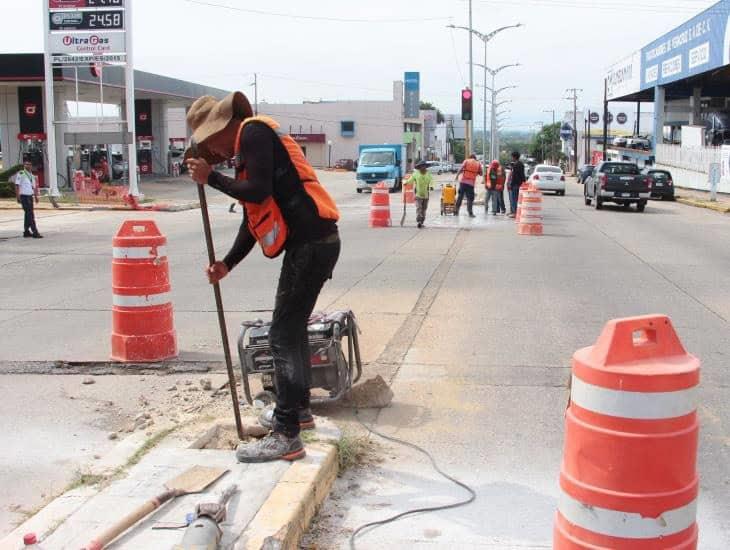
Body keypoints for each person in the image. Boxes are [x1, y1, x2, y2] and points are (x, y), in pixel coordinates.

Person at [185, 92, 340, 463]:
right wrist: (227, 263)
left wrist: (212, 179)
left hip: (311, 245)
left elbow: (257, 191)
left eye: (210, 144)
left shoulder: (253, 134)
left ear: (223, 128)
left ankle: (286, 433)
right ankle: (297, 413)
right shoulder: (249, 150)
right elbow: (252, 217)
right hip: (313, 244)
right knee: (291, 330)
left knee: (282, 334)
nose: (214, 154)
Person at [15, 159, 42, 238]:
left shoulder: (31, 175)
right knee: (30, 214)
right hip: (24, 196)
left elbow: (33, 187)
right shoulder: (21, 173)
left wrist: (36, 196)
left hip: (30, 196)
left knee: (28, 214)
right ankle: (35, 231)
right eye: (26, 164)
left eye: (29, 164)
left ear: (31, 166)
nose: (28, 166)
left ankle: (26, 231)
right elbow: (17, 185)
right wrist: (18, 196)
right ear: (24, 165)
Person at [406, 160, 432, 228]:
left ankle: (422, 222)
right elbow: (411, 180)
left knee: (424, 209)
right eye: (422, 166)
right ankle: (419, 221)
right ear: (419, 167)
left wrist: (432, 186)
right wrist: (406, 182)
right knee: (419, 208)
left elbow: (431, 180)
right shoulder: (416, 174)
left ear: (426, 167)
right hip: (418, 194)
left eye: (424, 166)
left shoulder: (428, 173)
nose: (423, 167)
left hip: (426, 194)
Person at [508, 151, 526, 217]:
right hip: (519, 184)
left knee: (514, 199)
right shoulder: (521, 164)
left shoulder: (516, 165)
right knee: (518, 199)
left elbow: (514, 177)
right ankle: (517, 212)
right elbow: (522, 175)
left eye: (512, 157)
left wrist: (511, 185)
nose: (511, 158)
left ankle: (515, 213)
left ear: (514, 157)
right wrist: (524, 182)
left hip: (515, 184)